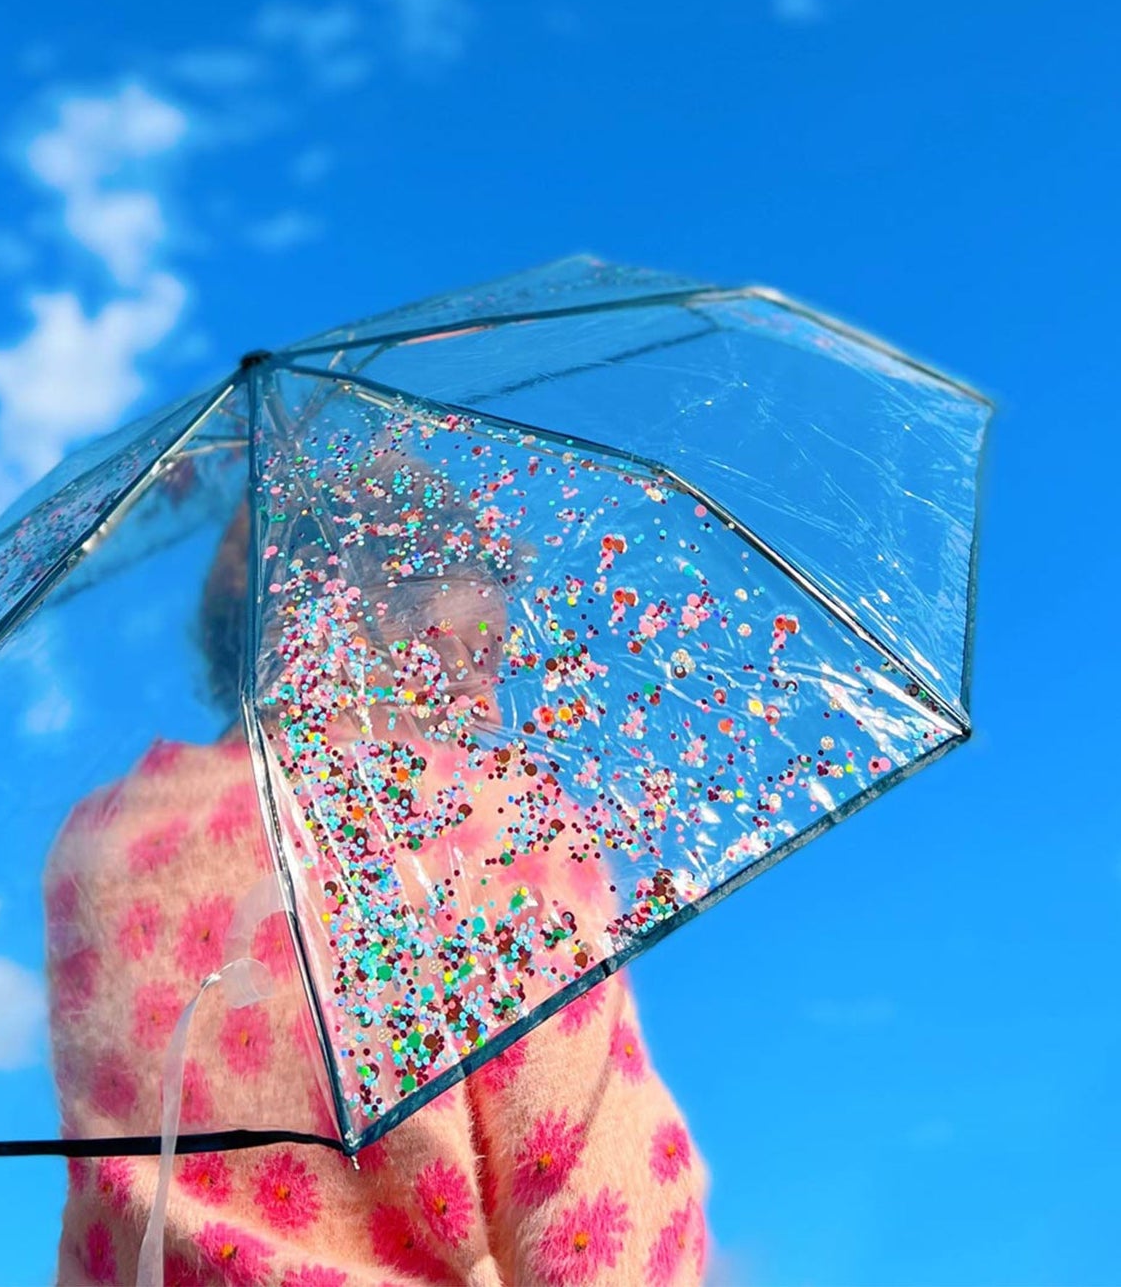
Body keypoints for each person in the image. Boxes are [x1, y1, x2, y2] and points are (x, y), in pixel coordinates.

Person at [44, 448, 709, 1287]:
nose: (496, 707)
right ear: (350, 622)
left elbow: (100, 1208)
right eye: (475, 658)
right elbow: (598, 1201)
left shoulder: (100, 849)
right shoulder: (486, 817)